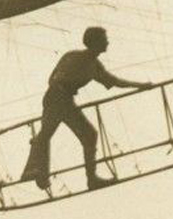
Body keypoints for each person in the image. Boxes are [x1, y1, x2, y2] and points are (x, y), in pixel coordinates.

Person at [20, 27, 151, 191]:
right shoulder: (80, 59)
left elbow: (114, 81)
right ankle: (35, 171)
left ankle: (85, 178)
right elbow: (53, 78)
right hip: (57, 97)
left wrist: (140, 86)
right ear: (96, 42)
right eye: (104, 39)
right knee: (47, 134)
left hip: (63, 99)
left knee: (85, 135)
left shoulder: (90, 63)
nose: (107, 42)